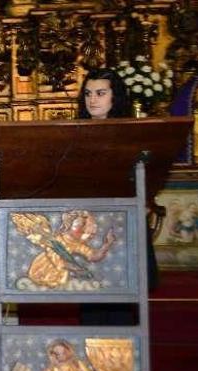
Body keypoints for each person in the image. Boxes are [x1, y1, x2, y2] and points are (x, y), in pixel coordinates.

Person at [76, 68, 156, 325]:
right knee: (90, 294)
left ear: (115, 97)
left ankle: (121, 358)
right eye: (88, 94)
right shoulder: (74, 133)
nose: (93, 100)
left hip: (122, 222)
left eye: (100, 93)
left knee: (122, 294)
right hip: (89, 223)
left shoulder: (131, 133)